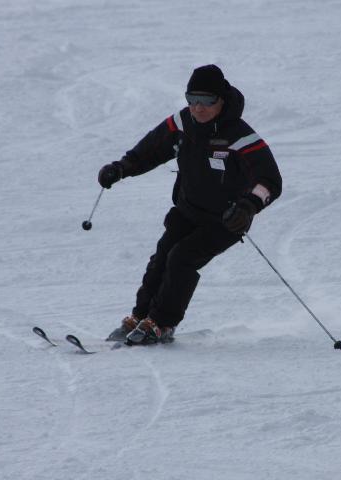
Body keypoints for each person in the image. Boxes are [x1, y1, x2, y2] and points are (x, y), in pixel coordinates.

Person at [97, 64, 282, 345]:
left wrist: (248, 207)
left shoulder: (240, 136)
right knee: (162, 258)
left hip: (226, 220)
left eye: (206, 100)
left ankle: (162, 324)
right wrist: (121, 168)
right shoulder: (183, 123)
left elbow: (269, 180)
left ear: (222, 100)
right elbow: (150, 151)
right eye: (192, 99)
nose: (198, 107)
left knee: (181, 258)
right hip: (188, 211)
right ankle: (141, 317)